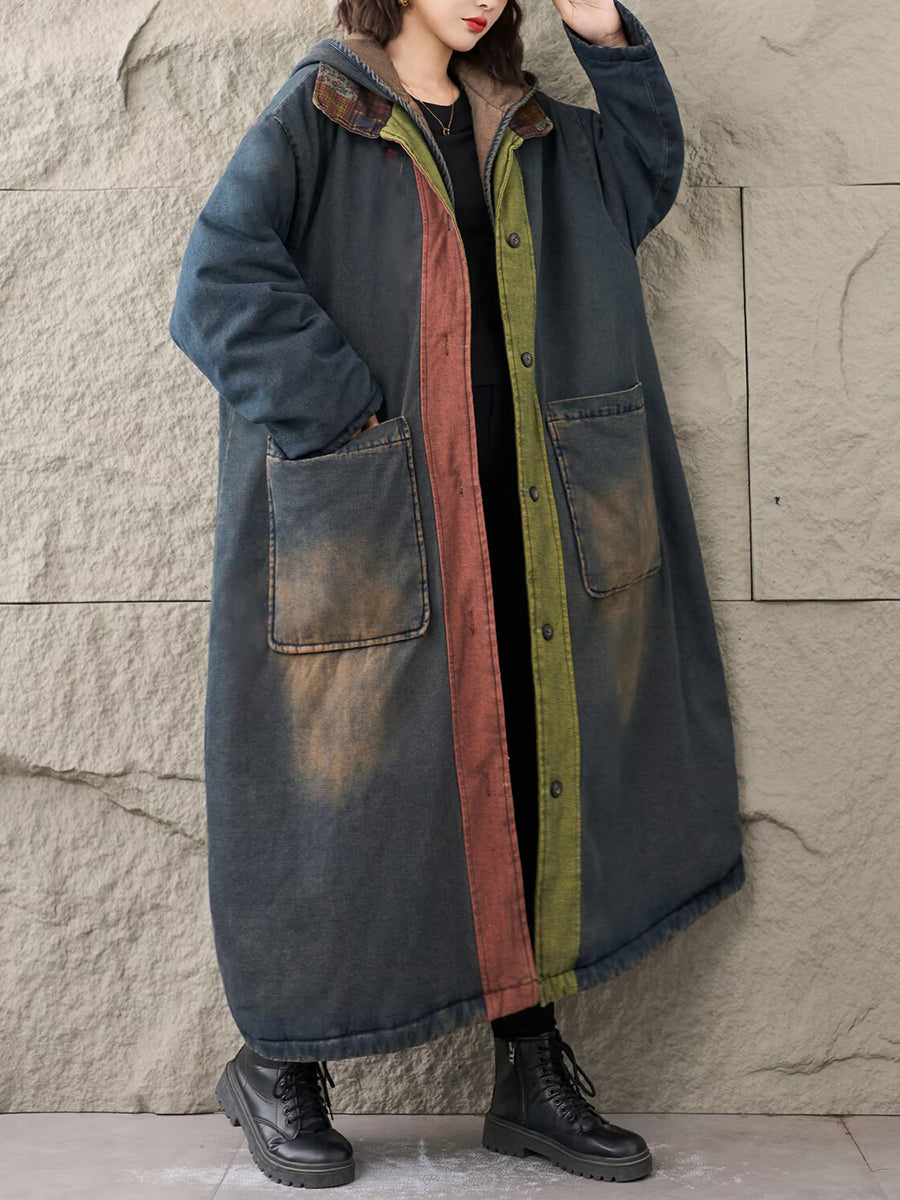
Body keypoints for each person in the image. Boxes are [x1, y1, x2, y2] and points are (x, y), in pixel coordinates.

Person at [169, 0, 745, 1189]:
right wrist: (344, 416)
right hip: (384, 517)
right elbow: (217, 282)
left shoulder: (534, 124)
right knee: (337, 802)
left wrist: (603, 27)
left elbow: (643, 177)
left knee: (533, 765)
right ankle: (278, 1061)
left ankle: (528, 1067)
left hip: (529, 511)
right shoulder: (326, 110)